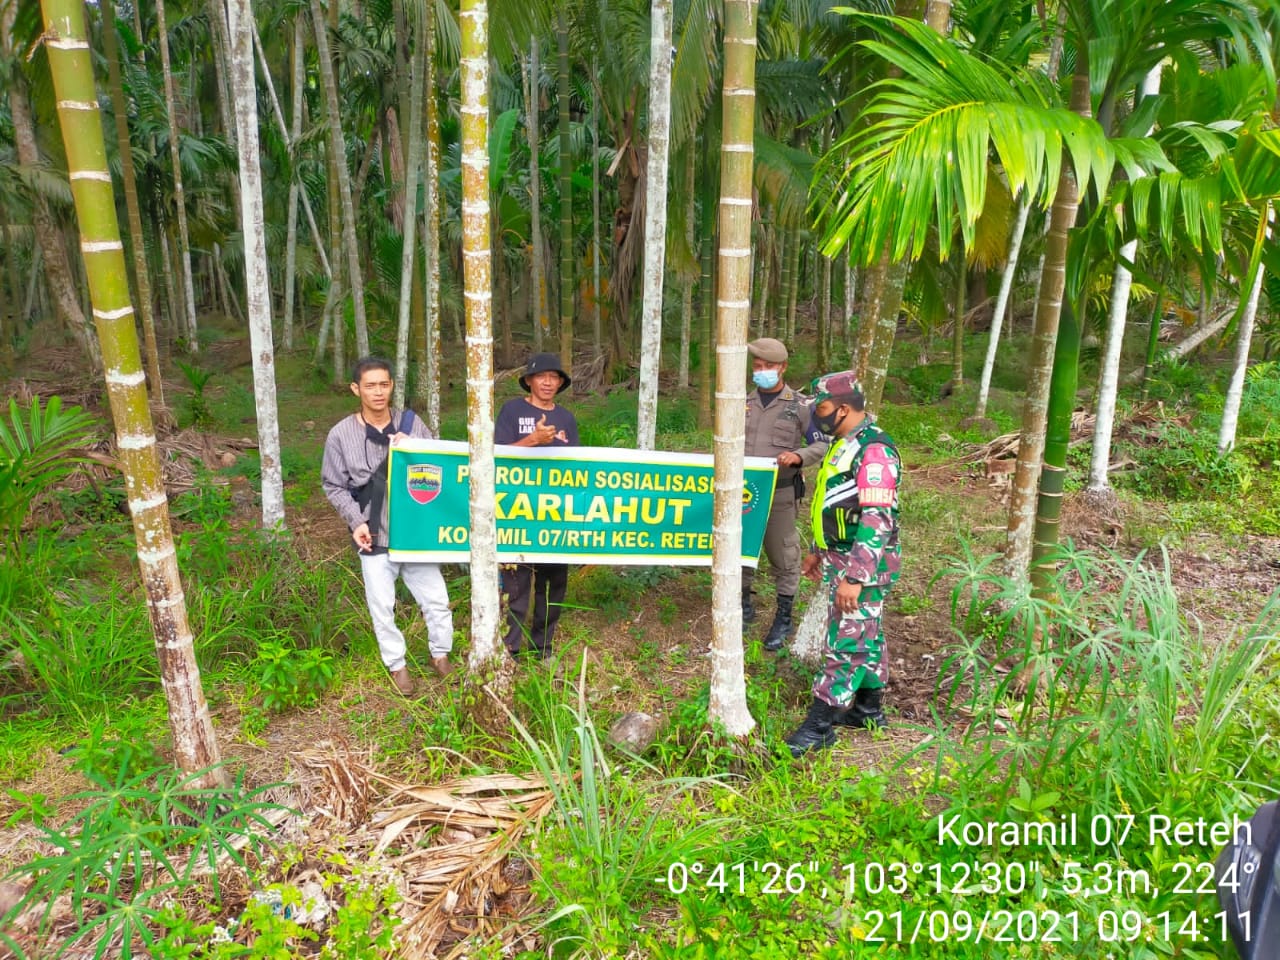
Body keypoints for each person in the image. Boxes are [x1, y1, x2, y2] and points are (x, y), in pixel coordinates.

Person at [322, 357, 454, 696]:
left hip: (414, 530)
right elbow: (334, 485)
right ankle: (397, 665)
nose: (378, 392)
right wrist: (355, 521)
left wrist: (412, 449)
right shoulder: (340, 434)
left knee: (436, 599)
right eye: (370, 386)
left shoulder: (412, 423)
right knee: (382, 605)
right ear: (356, 389)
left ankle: (441, 656)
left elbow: (439, 465)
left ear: (392, 385)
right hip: (374, 532)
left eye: (384, 384)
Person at [785, 370, 901, 758]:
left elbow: (876, 518)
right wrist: (819, 549)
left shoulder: (874, 451)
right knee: (868, 632)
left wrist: (855, 576)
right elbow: (834, 502)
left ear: (844, 408)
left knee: (846, 641)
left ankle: (820, 724)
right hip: (841, 556)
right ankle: (868, 710)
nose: (816, 415)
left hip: (863, 564)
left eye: (821, 408)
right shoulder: (842, 443)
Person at [743, 338, 828, 651]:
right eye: (758, 366)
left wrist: (799, 456)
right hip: (742, 494)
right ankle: (743, 607)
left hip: (780, 493)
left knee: (784, 555)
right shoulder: (742, 403)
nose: (762, 371)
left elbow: (821, 444)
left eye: (768, 366)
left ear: (783, 368)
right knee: (740, 549)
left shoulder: (801, 406)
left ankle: (783, 616)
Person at [495, 353, 579, 659]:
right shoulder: (512, 411)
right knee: (515, 586)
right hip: (516, 513)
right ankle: (510, 650)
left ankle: (543, 648)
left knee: (553, 586)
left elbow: (578, 467)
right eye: (541, 376)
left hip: (555, 515)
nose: (548, 382)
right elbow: (495, 455)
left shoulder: (567, 419)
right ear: (529, 380)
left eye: (554, 377)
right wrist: (532, 440)